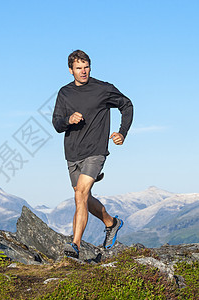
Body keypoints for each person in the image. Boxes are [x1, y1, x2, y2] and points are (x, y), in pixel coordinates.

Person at [52, 50, 133, 259]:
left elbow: (127, 105)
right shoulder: (64, 93)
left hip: (96, 151)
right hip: (72, 153)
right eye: (78, 68)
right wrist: (68, 119)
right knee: (83, 197)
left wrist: (122, 133)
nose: (83, 71)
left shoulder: (102, 89)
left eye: (86, 66)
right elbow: (56, 124)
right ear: (71, 70)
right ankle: (111, 223)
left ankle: (75, 245)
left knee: (80, 195)